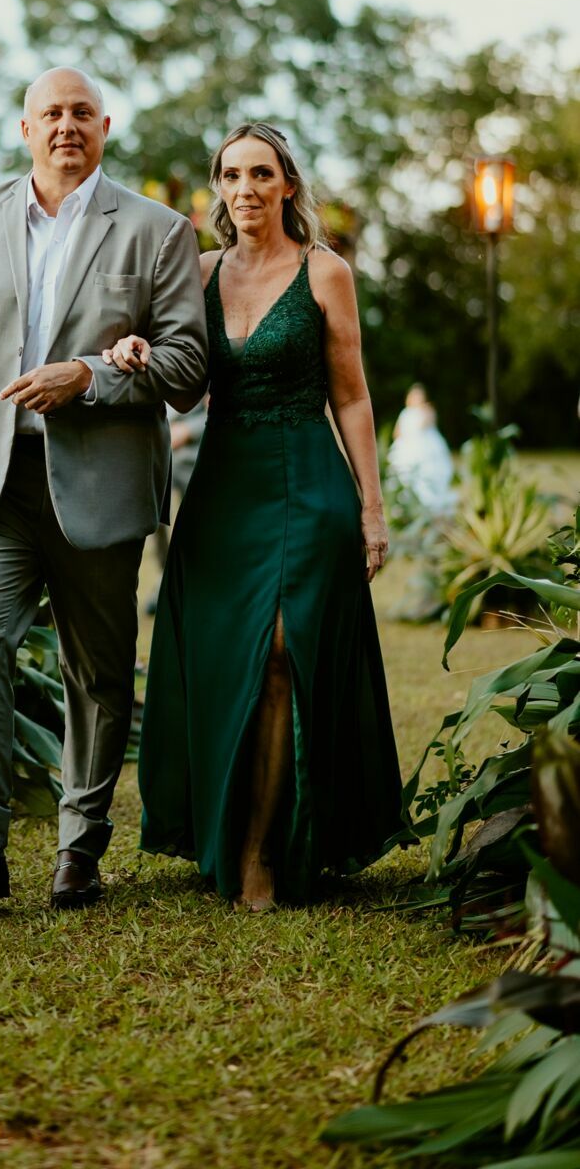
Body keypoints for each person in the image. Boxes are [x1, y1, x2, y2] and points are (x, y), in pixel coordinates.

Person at [0, 66, 208, 907]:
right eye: (51, 113)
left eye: (82, 113)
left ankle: (80, 848)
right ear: (25, 128)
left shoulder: (157, 231)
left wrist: (89, 376)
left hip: (102, 489)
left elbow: (187, 370)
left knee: (99, 674)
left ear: (106, 127)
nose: (66, 126)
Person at [124, 123, 402, 910]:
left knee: (284, 655)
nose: (244, 188)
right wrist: (136, 355)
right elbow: (182, 383)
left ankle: (259, 854)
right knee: (223, 663)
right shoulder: (200, 271)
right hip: (219, 490)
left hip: (308, 479)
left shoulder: (326, 272)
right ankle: (220, 828)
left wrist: (371, 507)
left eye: (260, 173)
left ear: (287, 185)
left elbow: (350, 392)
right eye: (230, 174)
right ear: (218, 187)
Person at [387, 383, 454, 515]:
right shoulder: (404, 413)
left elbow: (428, 425)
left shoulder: (427, 410)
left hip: (424, 446)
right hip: (406, 447)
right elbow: (397, 432)